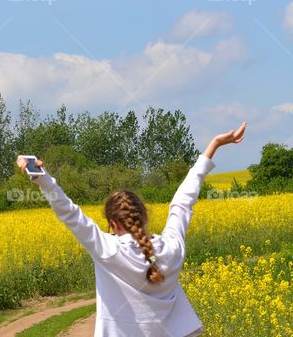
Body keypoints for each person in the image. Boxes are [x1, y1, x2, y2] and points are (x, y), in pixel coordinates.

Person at [16, 122, 246, 337]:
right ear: (144, 216)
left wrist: (42, 179)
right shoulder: (172, 247)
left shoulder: (109, 251)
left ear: (113, 223)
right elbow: (182, 203)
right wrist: (212, 146)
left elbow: (69, 212)